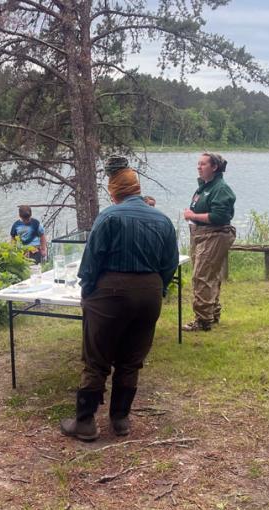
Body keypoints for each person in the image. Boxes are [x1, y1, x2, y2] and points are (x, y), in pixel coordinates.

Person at [60, 162, 179, 441]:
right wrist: (156, 289)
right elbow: (169, 264)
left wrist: (87, 291)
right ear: (137, 189)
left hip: (110, 295)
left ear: (114, 193)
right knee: (131, 359)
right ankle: (121, 419)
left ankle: (86, 422)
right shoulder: (162, 220)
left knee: (96, 358)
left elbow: (91, 263)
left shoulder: (109, 217)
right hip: (149, 294)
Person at [182, 152, 236, 331]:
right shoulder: (205, 187)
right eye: (198, 164)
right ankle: (212, 313)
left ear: (214, 167)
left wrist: (193, 215)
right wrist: (192, 217)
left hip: (214, 235)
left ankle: (203, 320)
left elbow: (220, 216)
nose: (199, 167)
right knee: (208, 276)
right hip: (201, 235)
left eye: (203, 164)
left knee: (202, 276)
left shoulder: (221, 188)